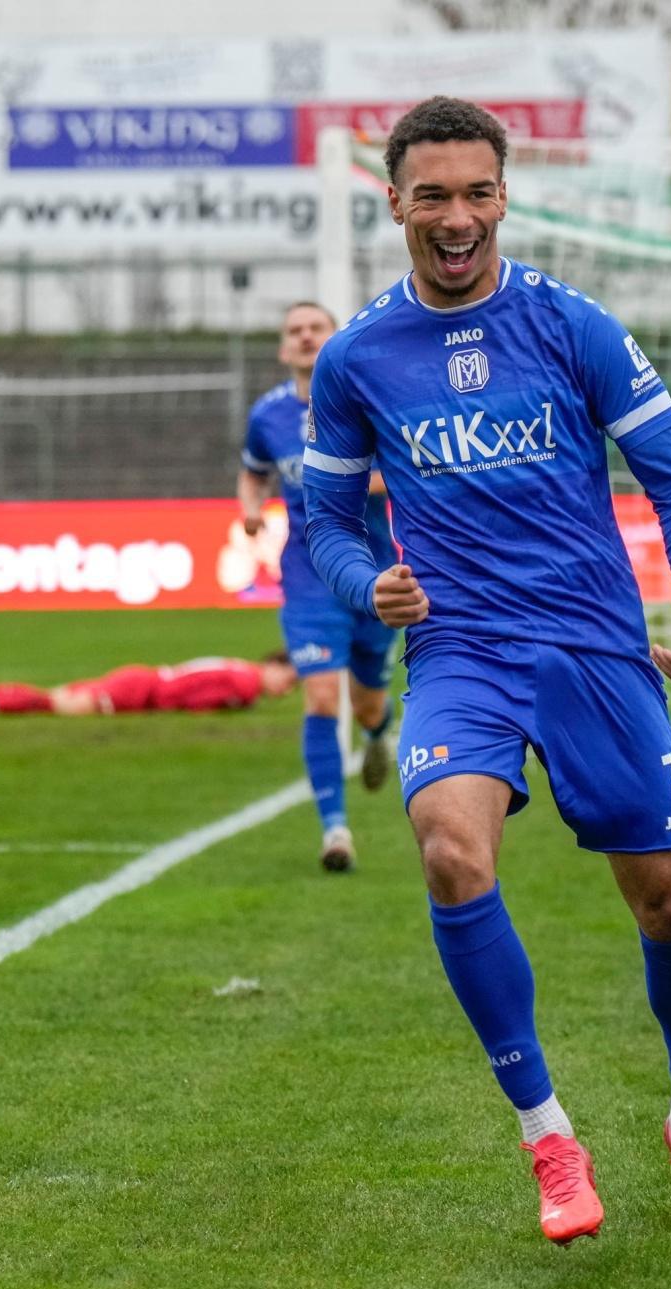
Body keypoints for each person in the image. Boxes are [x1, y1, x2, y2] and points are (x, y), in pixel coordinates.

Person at [302, 96, 671, 1245]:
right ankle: (549, 1136)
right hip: (461, 648)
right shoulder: (354, 359)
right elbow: (330, 527)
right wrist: (367, 588)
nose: (458, 217)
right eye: (433, 195)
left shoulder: (574, 325)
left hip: (596, 643)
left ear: (505, 197)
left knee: (670, 897)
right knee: (450, 849)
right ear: (394, 202)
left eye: (478, 192)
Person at [239, 301, 400, 873]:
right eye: (294, 331)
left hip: (373, 570)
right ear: (284, 348)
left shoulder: (371, 402)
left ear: (338, 338)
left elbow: (408, 472)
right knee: (323, 698)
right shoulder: (268, 415)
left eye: (316, 328)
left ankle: (379, 729)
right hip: (308, 572)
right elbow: (254, 467)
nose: (305, 337)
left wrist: (353, 480)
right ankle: (335, 830)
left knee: (365, 701)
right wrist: (250, 508)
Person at [0, 652, 299, 717]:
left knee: (52, 698)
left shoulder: (240, 668)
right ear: (273, 665)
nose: (287, 688)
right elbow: (198, 701)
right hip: (139, 691)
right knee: (56, 705)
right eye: (289, 678)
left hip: (140, 678)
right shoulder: (247, 684)